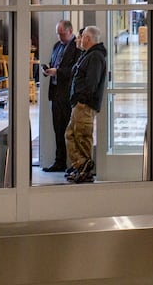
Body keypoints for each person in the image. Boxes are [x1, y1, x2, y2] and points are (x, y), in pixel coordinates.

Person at [64, 26, 108, 184]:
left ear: (88, 39)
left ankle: (84, 167)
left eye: (82, 37)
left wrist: (82, 99)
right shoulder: (87, 55)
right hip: (79, 104)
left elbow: (92, 83)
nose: (80, 39)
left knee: (82, 136)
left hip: (85, 105)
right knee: (70, 135)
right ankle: (80, 165)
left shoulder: (95, 56)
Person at [41, 20, 80, 172]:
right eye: (58, 34)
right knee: (58, 129)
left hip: (68, 94)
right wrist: (48, 71)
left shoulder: (77, 47)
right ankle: (60, 161)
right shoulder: (57, 46)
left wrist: (57, 72)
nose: (59, 37)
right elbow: (54, 63)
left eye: (62, 34)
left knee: (70, 131)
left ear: (70, 31)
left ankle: (75, 163)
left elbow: (75, 70)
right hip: (55, 93)